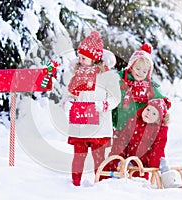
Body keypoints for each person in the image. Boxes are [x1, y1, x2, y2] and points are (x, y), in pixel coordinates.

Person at [63, 31, 121, 186]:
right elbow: (69, 96)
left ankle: (100, 184)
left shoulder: (107, 76)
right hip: (80, 124)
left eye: (84, 57)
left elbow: (116, 98)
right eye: (79, 57)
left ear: (94, 58)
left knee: (99, 157)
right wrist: (68, 103)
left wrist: (102, 105)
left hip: (99, 126)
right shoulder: (76, 75)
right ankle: (74, 183)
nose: (80, 60)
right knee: (78, 155)